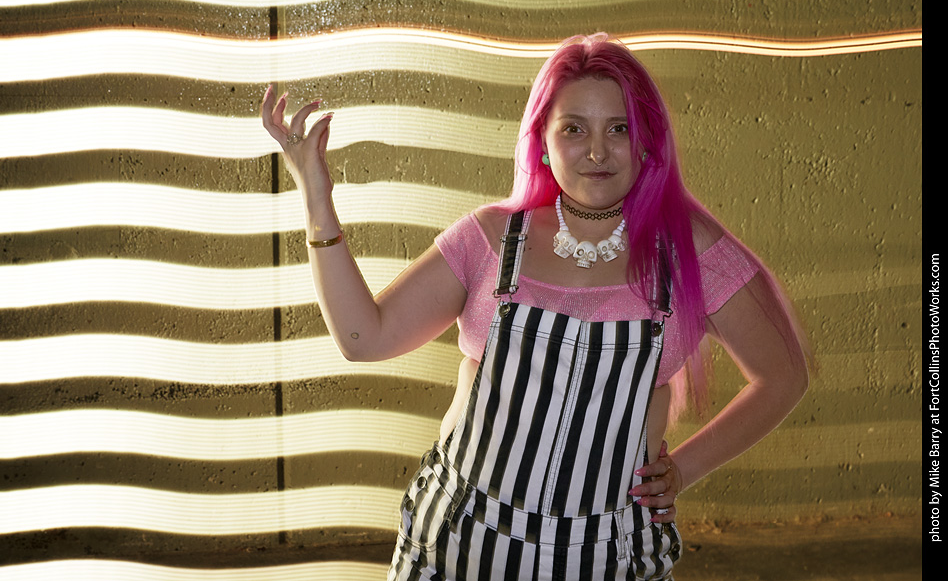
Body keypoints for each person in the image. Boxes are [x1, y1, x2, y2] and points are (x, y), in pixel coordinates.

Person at [261, 34, 810, 581]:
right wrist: (316, 197)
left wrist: (682, 470)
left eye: (619, 129)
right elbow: (363, 338)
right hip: (458, 548)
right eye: (574, 129)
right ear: (542, 139)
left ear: (647, 142)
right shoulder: (490, 239)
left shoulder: (689, 251)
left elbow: (783, 376)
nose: (597, 152)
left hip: (609, 560)